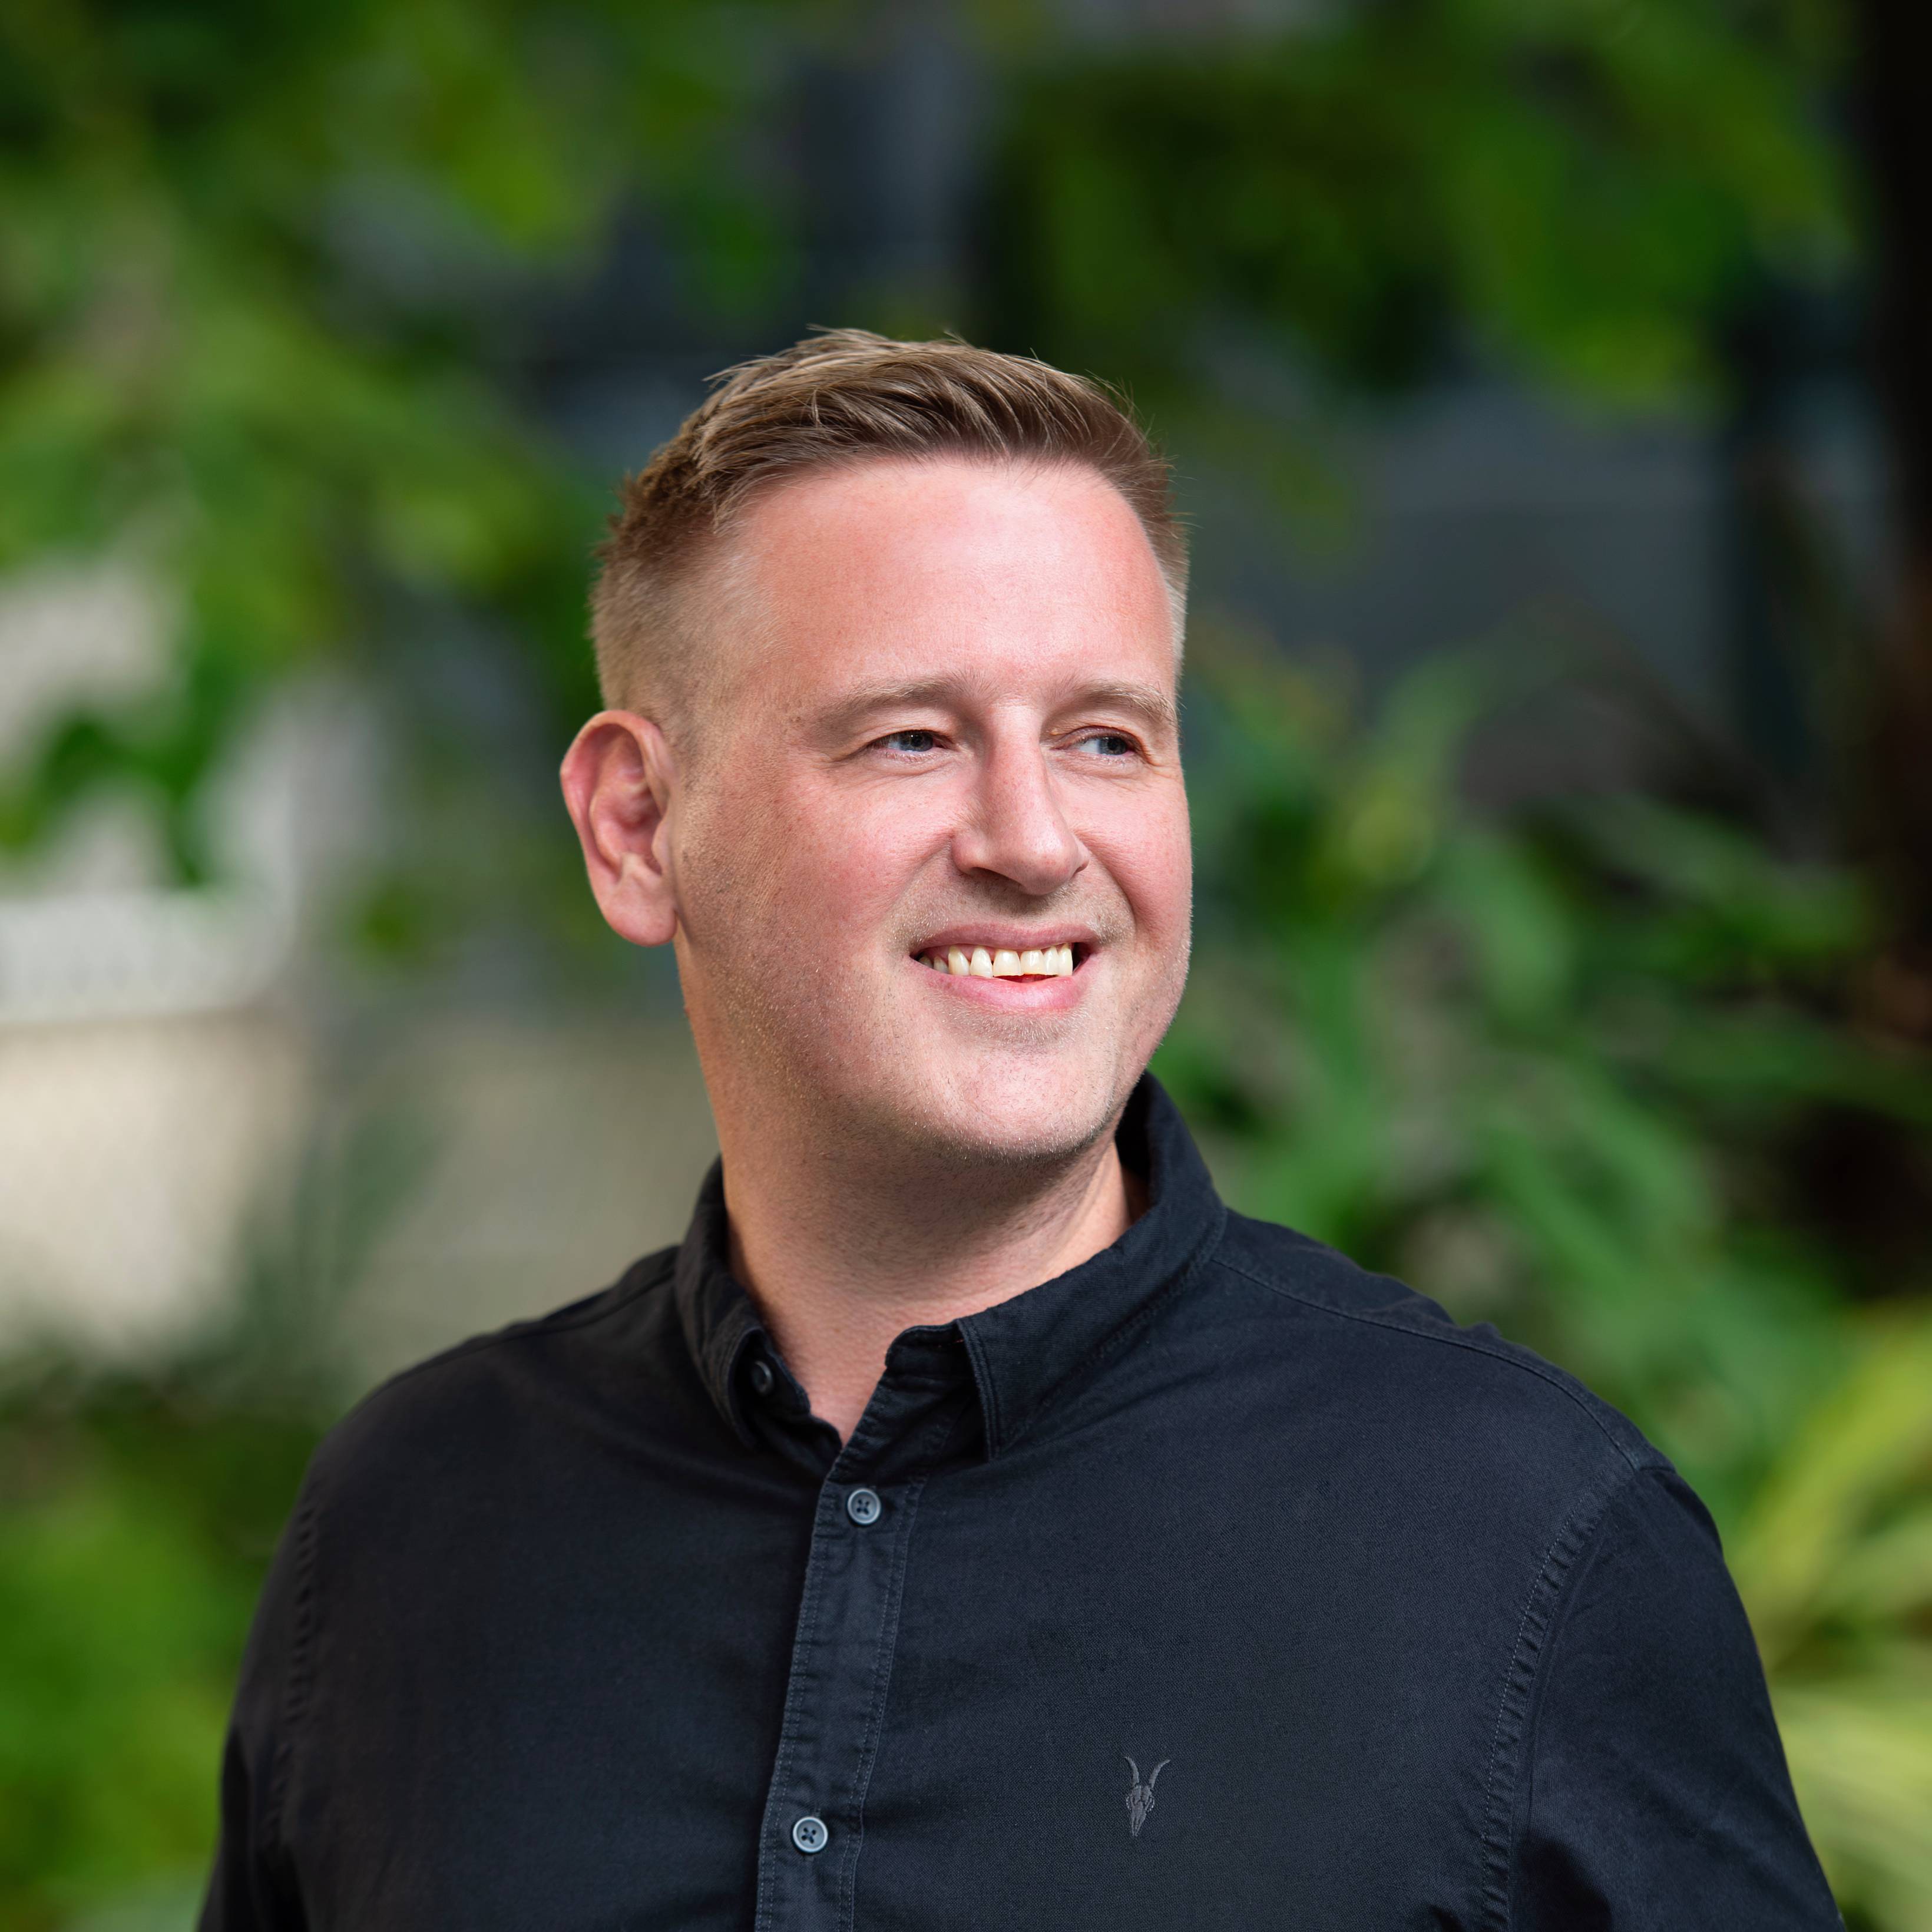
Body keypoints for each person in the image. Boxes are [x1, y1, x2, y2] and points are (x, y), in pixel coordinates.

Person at [200, 332, 1841, 1930]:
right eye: (912, 737)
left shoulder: (1529, 1543)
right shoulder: (411, 1527)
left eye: (1104, 739)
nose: (1033, 840)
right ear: (639, 827)